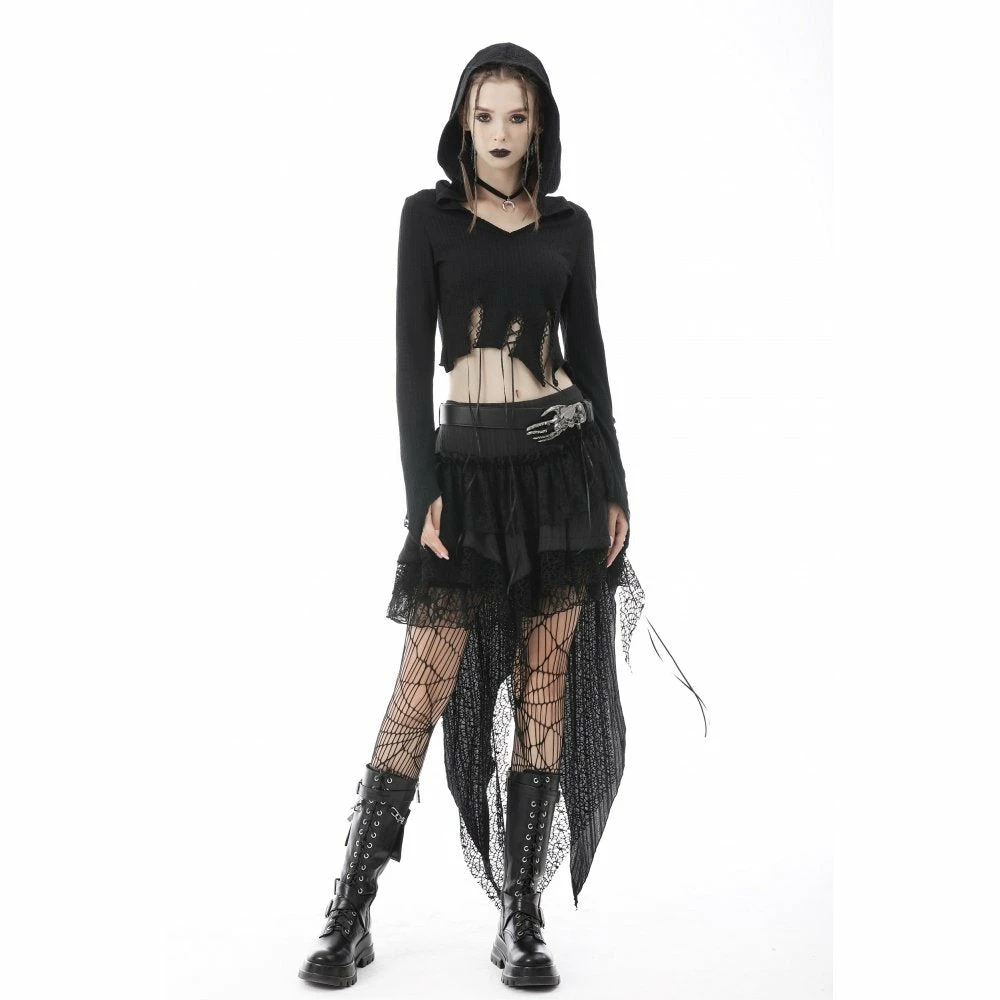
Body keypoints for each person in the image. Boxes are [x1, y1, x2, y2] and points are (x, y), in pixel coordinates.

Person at [299, 41, 707, 990]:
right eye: (483, 115)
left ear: (538, 127)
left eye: (516, 117)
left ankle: (521, 913)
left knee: (543, 683)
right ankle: (350, 908)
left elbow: (590, 358)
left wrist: (616, 486)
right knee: (421, 684)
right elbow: (409, 364)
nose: (498, 132)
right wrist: (422, 496)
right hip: (467, 478)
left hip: (563, 476)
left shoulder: (569, 227)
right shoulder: (428, 218)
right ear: (462, 121)